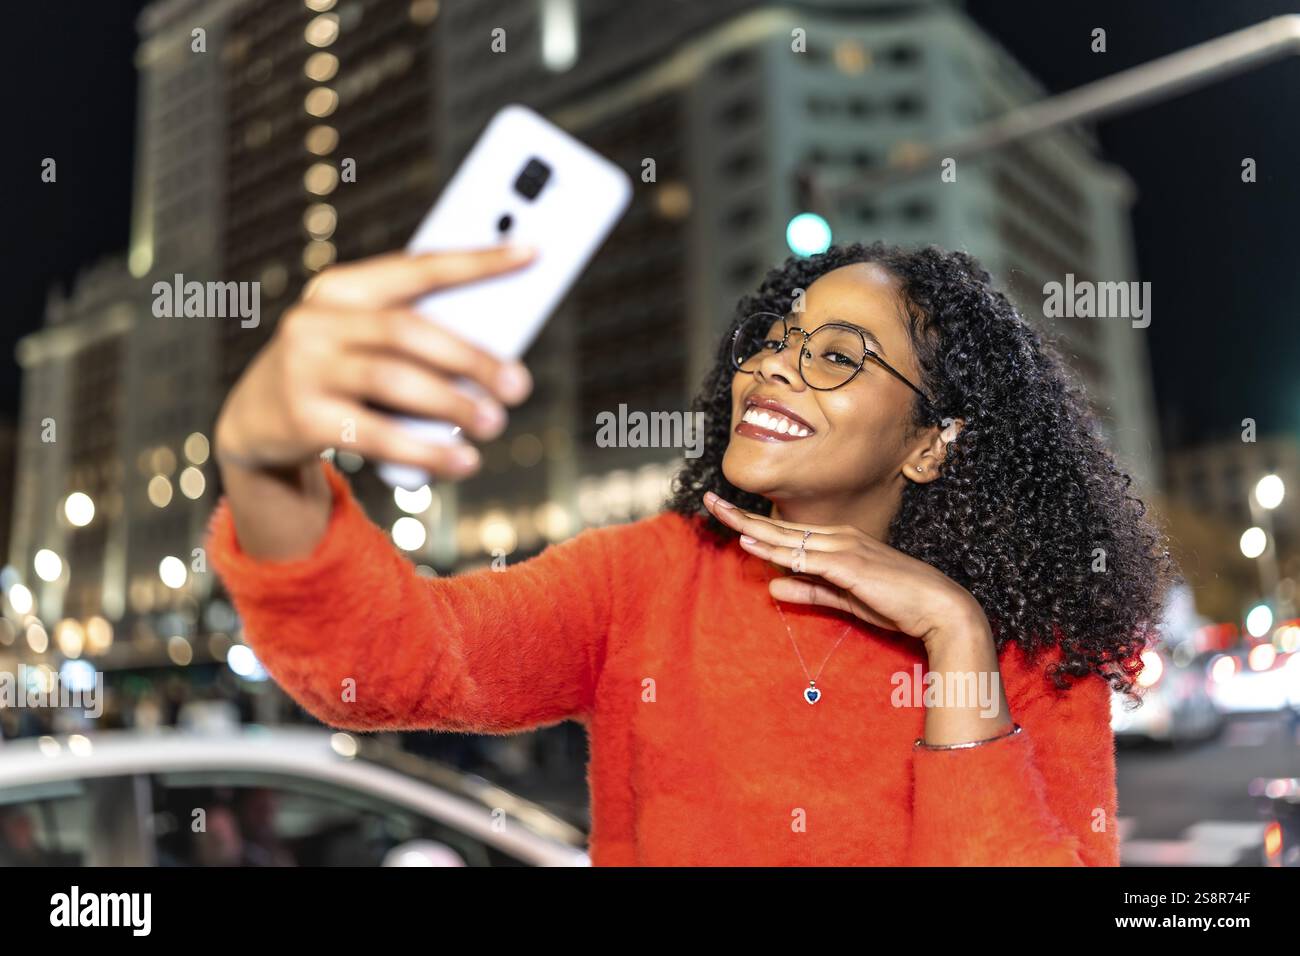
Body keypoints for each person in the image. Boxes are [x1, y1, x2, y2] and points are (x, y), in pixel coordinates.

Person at [206, 242, 1176, 865]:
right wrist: (263, 461)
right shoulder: (641, 578)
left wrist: (956, 640)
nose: (774, 366)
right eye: (776, 337)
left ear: (931, 441)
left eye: (837, 355)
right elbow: (381, 663)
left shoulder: (1036, 640)